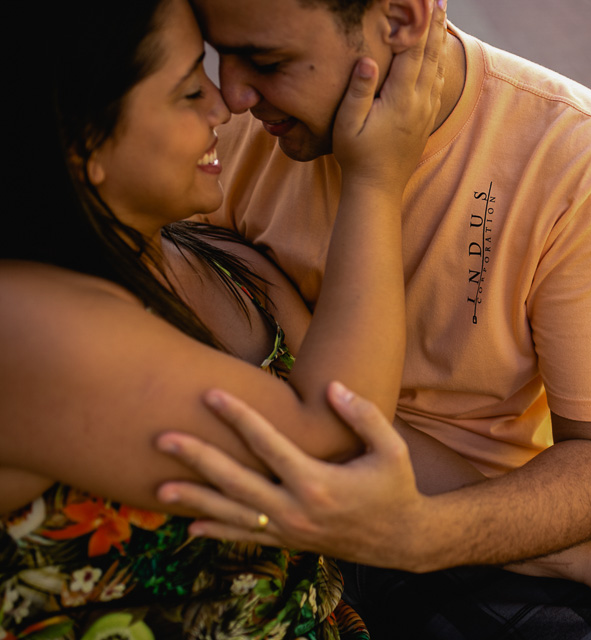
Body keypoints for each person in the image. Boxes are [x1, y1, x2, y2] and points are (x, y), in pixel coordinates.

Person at [155, 0, 591, 637]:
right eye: (223, 55)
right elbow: (315, 407)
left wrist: (433, 538)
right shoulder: (218, 144)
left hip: (479, 525)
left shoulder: (576, 156)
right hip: (265, 506)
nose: (235, 95)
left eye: (268, 61)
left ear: (402, 19)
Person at [0, 0, 446, 636]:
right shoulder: (25, 324)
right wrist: (375, 179)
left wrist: (570, 552)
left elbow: (393, 444)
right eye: (189, 90)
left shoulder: (231, 267)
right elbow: (336, 431)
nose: (226, 102)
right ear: (82, 141)